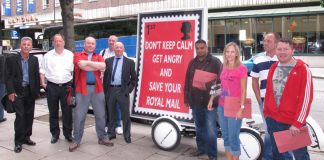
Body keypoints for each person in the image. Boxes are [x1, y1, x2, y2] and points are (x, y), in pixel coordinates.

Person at [264, 38, 313, 160]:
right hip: (274, 120)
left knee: (300, 156)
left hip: (293, 122)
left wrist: (297, 123)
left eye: (286, 49)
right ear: (275, 50)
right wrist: (267, 113)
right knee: (278, 155)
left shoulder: (302, 69)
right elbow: (269, 93)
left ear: (292, 50)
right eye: (279, 49)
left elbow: (306, 99)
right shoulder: (273, 68)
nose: (282, 52)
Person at [69, 36, 113, 152]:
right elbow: (81, 65)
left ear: (95, 45)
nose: (90, 45)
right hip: (81, 89)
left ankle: (102, 137)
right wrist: (94, 65)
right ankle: (76, 140)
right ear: (84, 44)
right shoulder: (77, 55)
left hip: (97, 89)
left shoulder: (99, 56)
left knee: (101, 115)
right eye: (88, 43)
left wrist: (87, 64)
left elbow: (103, 67)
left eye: (93, 44)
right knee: (79, 116)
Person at [184, 39, 222, 160]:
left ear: (207, 48)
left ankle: (212, 155)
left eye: (202, 48)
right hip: (195, 101)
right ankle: (201, 149)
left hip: (210, 102)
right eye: (197, 48)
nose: (200, 50)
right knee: (199, 127)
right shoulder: (192, 63)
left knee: (211, 130)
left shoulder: (215, 62)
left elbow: (220, 83)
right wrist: (186, 97)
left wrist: (207, 84)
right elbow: (187, 80)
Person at [209, 42, 248, 160]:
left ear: (236, 53)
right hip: (222, 106)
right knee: (225, 136)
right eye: (227, 51)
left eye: (232, 52)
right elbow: (219, 85)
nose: (230, 54)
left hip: (235, 107)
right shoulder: (223, 66)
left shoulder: (242, 68)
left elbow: (244, 90)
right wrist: (211, 99)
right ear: (224, 53)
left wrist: (242, 108)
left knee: (233, 137)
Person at [5, 37, 40, 153]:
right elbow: (8, 76)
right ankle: (18, 142)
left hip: (30, 92)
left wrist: (36, 92)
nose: (26, 46)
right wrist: (10, 91)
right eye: (24, 44)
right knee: (20, 117)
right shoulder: (12, 59)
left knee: (29, 116)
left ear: (31, 46)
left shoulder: (34, 60)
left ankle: (26, 137)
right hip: (18, 92)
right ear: (21, 46)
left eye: (28, 44)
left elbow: (36, 76)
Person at [40, 34, 74, 144]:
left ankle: (68, 134)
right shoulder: (48, 55)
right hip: (52, 87)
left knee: (67, 112)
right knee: (53, 112)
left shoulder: (70, 55)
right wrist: (42, 82)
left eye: (60, 41)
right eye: (56, 41)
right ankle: (55, 134)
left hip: (66, 87)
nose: (58, 43)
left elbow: (75, 71)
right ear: (53, 43)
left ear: (63, 42)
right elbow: (42, 70)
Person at [251, 32, 280, 160]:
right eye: (264, 41)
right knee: (269, 130)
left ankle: (280, 155)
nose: (265, 43)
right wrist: (259, 100)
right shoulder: (258, 60)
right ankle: (268, 157)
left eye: (268, 41)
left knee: (281, 130)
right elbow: (254, 81)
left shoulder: (283, 59)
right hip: (265, 101)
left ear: (276, 43)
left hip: (281, 102)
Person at [103, 42, 136, 143]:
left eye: (120, 47)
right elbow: (105, 78)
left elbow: (134, 79)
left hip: (123, 91)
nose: (118, 49)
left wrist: (128, 90)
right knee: (111, 113)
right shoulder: (108, 61)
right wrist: (106, 91)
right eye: (116, 47)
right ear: (114, 48)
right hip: (111, 90)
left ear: (123, 49)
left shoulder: (129, 62)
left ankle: (127, 135)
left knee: (125, 115)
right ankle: (111, 133)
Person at [99, 35, 127, 135]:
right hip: (106, 84)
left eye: (113, 41)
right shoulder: (102, 53)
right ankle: (107, 125)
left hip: (118, 85)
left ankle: (118, 125)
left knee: (117, 106)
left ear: (117, 42)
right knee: (106, 105)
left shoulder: (123, 54)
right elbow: (99, 68)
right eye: (110, 40)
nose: (111, 42)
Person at [0, 53, 7, 123]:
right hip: (1, 82)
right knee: (1, 100)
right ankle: (0, 117)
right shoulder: (1, 57)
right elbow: (3, 70)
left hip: (1, 81)